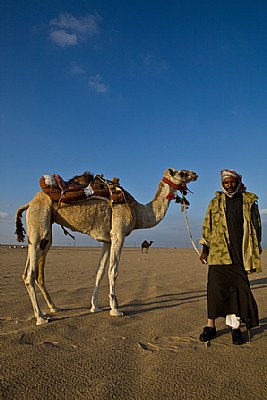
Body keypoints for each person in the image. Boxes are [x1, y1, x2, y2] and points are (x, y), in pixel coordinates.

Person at [199, 169, 262, 345]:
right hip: (218, 254)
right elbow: (207, 226)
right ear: (222, 184)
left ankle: (236, 328)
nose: (229, 185)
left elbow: (256, 227)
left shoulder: (249, 202)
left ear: (238, 182)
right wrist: (205, 249)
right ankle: (210, 326)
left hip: (240, 254)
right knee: (215, 290)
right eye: (226, 183)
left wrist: (256, 246)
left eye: (232, 182)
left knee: (240, 290)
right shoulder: (215, 202)